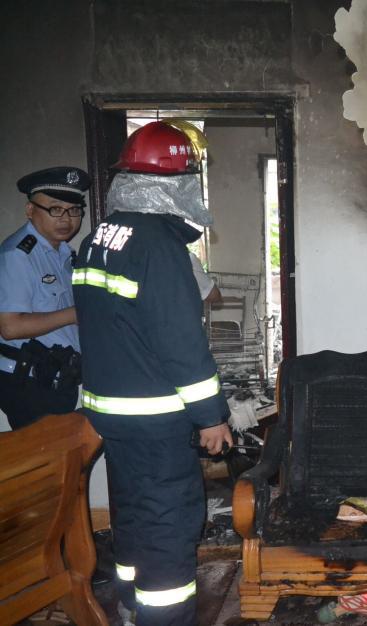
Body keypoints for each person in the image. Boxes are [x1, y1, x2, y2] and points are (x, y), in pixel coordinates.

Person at [73, 121, 233, 626]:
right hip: (156, 418)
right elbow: (180, 342)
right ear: (176, 183)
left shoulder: (99, 237)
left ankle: (129, 603)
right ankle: (163, 618)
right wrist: (212, 417)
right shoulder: (159, 246)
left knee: (133, 511)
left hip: (110, 413)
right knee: (168, 522)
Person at [0, 167, 89, 429]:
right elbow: (10, 327)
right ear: (30, 210)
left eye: (74, 210)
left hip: (58, 376)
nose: (66, 219)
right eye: (55, 209)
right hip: (29, 382)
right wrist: (76, 313)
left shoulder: (64, 254)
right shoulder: (18, 255)